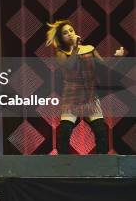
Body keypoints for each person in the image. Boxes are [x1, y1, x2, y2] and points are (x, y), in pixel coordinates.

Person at [46, 19, 126, 154]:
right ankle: (65, 167)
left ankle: (101, 166)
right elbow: (69, 66)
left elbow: (104, 67)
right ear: (61, 38)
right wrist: (75, 47)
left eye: (71, 31)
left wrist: (116, 57)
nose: (70, 34)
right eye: (65, 33)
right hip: (71, 97)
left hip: (90, 96)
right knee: (64, 133)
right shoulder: (61, 53)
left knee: (101, 132)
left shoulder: (89, 48)